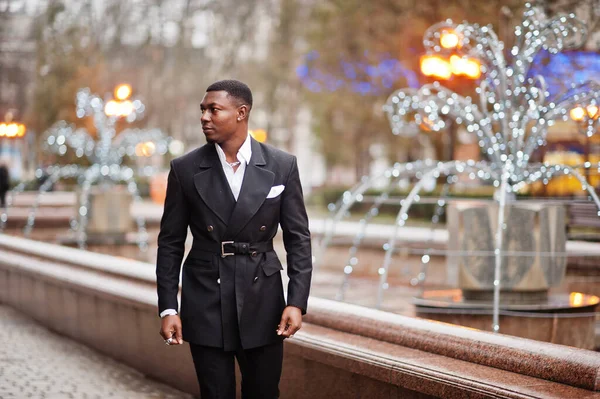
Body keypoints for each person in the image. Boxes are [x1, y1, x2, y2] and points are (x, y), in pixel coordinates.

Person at [156, 79, 312, 398]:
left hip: (263, 300)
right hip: (205, 298)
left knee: (264, 392)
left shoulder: (282, 165)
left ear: (241, 113)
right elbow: (170, 243)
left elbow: (298, 239)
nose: (204, 117)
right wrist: (168, 308)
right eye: (203, 110)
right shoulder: (185, 169)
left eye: (214, 110)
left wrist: (296, 301)